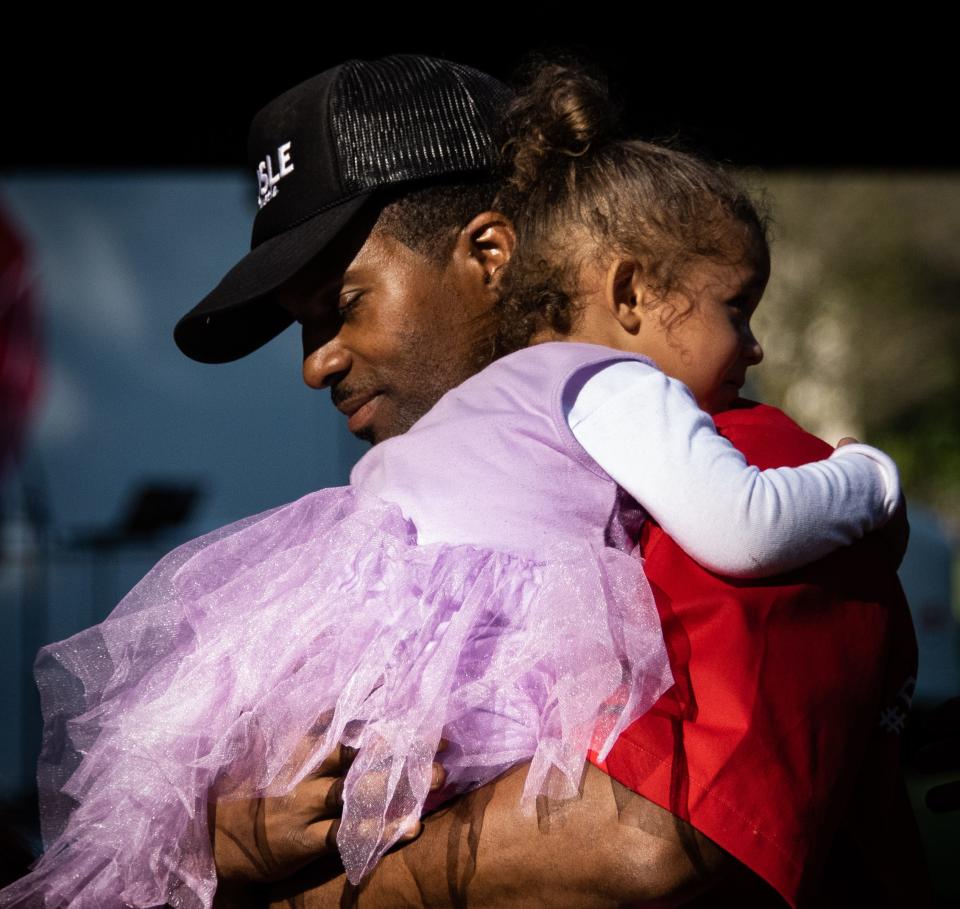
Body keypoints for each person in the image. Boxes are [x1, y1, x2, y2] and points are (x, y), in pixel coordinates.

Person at [0, 60, 907, 909]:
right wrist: (218, 841)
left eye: (342, 302)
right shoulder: (384, 543)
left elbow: (646, 836)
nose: (314, 365)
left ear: (490, 254)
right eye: (302, 327)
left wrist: (294, 893)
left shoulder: (755, 465)